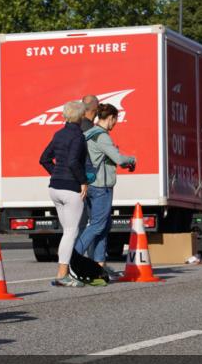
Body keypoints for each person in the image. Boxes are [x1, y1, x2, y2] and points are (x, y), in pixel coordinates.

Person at [74, 103, 136, 277]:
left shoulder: (88, 134)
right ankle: (73, 257)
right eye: (115, 120)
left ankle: (99, 265)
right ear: (110, 118)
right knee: (97, 225)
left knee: (103, 225)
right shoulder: (102, 136)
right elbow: (119, 159)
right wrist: (132, 159)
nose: (115, 124)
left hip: (90, 183)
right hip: (101, 186)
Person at [40, 100, 89, 287]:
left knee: (67, 232)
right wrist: (83, 181)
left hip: (54, 188)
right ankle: (62, 275)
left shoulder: (58, 133)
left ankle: (64, 272)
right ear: (81, 116)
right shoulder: (78, 136)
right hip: (70, 189)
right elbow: (73, 162)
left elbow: (44, 159)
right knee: (71, 231)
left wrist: (57, 174)